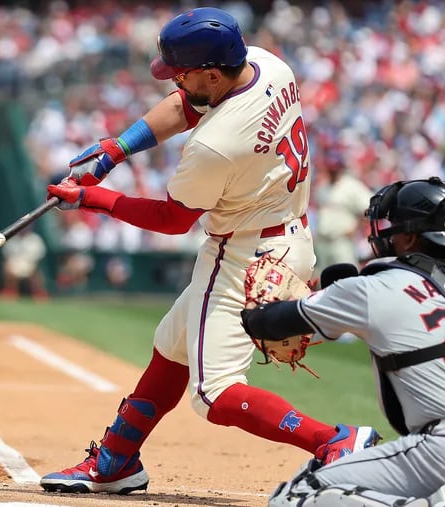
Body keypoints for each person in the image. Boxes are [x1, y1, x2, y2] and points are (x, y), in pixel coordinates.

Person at [40, 7, 379, 495]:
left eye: (183, 72)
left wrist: (91, 199)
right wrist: (117, 150)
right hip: (286, 235)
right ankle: (115, 462)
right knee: (170, 348)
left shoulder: (216, 146)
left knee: (213, 394)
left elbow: (172, 220)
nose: (176, 80)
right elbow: (186, 104)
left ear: (213, 73)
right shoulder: (267, 64)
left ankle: (335, 441)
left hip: (243, 254)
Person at [241, 177, 445, 506]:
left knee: (295, 497)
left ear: (409, 237)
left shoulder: (373, 287)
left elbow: (269, 324)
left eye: (393, 226)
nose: (384, 233)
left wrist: (255, 309)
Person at [0, 226, 49, 301]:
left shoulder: (35, 239)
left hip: (30, 265)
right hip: (15, 265)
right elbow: (7, 255)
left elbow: (39, 256)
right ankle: (11, 292)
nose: (23, 230)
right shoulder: (13, 239)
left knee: (37, 272)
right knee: (7, 267)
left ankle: (38, 294)